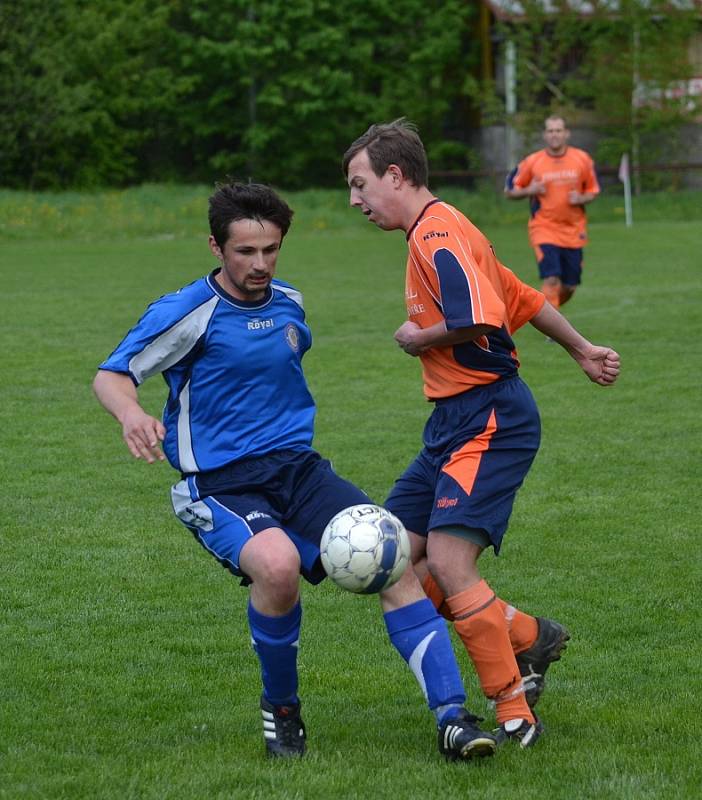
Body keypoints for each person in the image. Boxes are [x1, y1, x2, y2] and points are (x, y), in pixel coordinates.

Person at [93, 181, 500, 762]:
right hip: (223, 483)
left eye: (271, 250)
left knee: (393, 557)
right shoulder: (187, 312)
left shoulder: (290, 302)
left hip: (299, 470)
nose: (260, 264)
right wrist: (130, 412)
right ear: (216, 247)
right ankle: (282, 708)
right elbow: (112, 375)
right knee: (278, 567)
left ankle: (453, 716)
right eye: (245, 252)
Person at [342, 120, 620, 748]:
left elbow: (478, 317)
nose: (355, 201)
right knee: (398, 558)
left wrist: (420, 338)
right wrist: (580, 349)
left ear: (395, 175)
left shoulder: (435, 234)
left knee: (446, 560)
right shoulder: (449, 226)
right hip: (450, 420)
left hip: (489, 415)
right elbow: (521, 295)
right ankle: (527, 637)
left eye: (360, 186)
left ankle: (515, 711)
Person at [505, 115, 600, 310]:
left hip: (574, 230)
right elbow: (509, 191)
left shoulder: (582, 159)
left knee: (570, 286)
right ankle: (552, 329)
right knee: (552, 279)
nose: (554, 135)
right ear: (544, 135)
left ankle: (546, 314)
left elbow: (593, 190)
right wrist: (528, 190)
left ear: (566, 134)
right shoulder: (532, 162)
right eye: (550, 131)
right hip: (544, 228)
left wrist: (581, 198)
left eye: (558, 130)